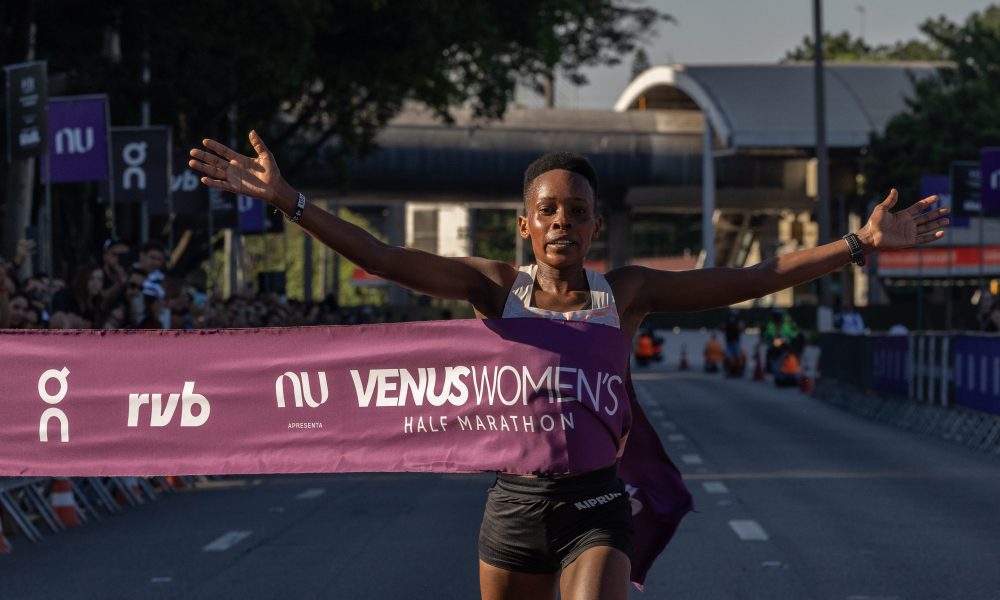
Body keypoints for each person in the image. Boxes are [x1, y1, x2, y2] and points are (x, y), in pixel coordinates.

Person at [189, 130, 950, 600]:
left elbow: (751, 280)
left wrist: (858, 244)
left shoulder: (629, 292)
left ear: (594, 226)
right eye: (548, 209)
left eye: (577, 211)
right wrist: (292, 202)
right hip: (513, 508)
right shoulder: (492, 286)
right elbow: (386, 257)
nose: (562, 221)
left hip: (595, 505)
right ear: (525, 224)